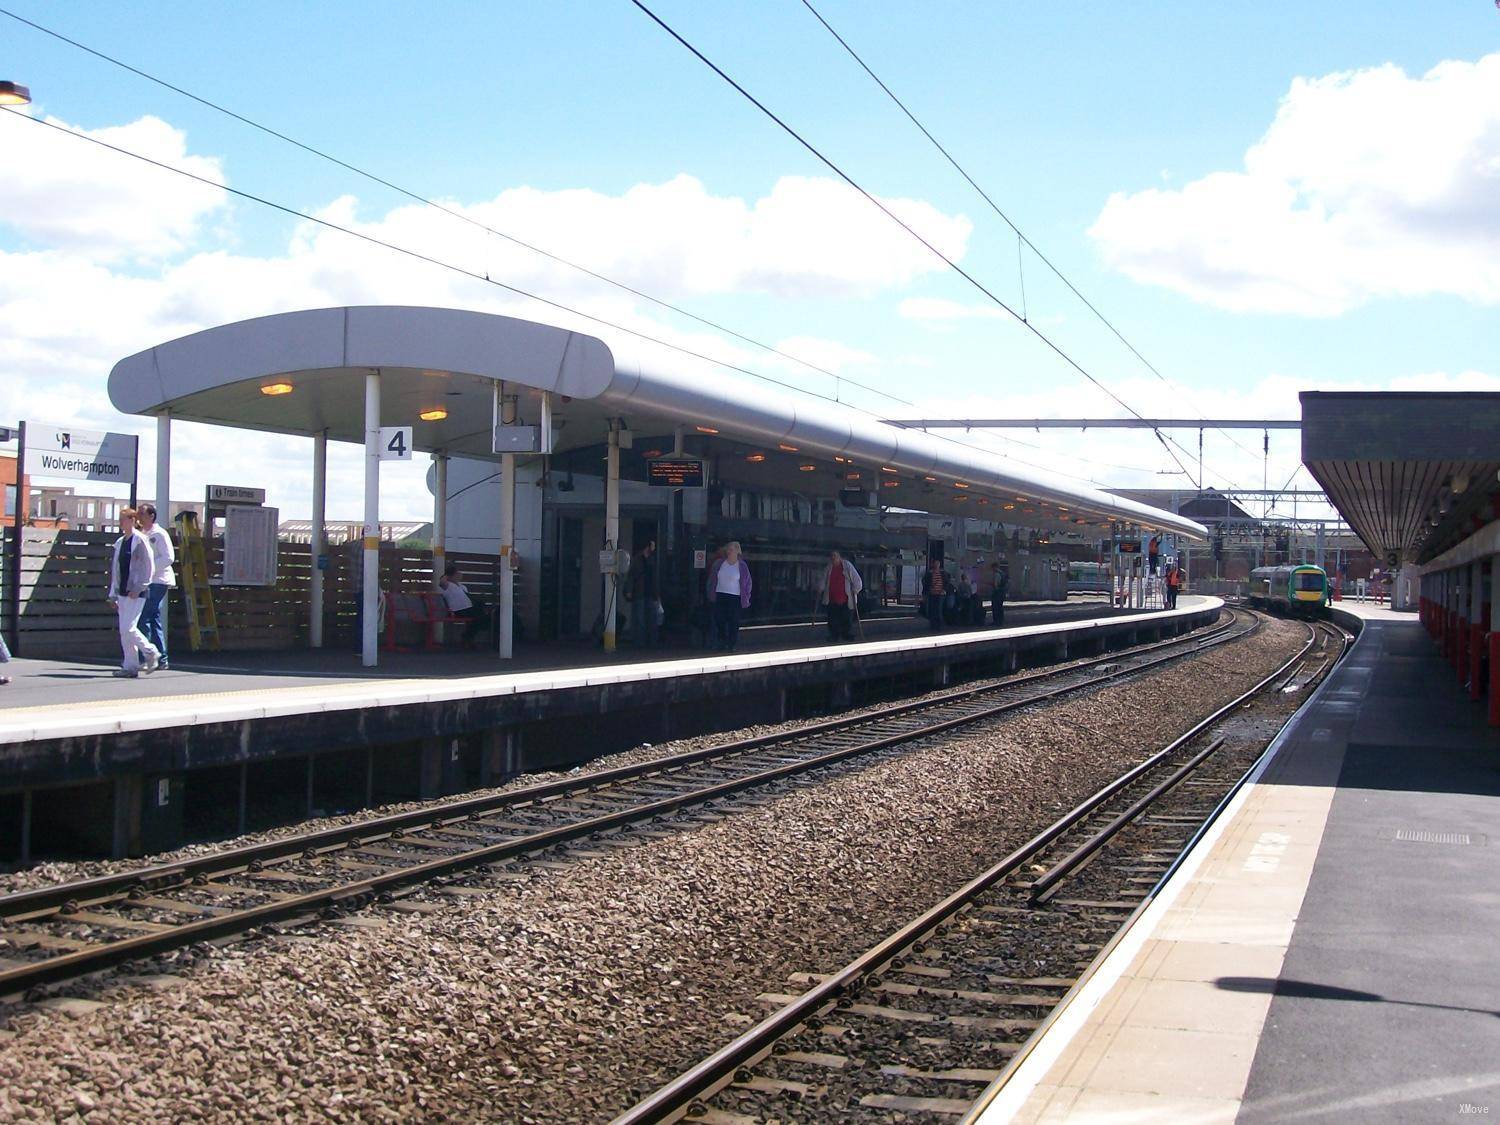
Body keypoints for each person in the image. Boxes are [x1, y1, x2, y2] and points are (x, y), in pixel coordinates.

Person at [107, 508, 160, 678]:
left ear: (132, 520)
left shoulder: (140, 541)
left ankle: (151, 651)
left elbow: (148, 567)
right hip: (122, 592)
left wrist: (139, 587)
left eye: (123, 519)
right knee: (124, 630)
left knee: (129, 628)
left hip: (136, 592)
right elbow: (116, 569)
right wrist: (113, 594)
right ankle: (130, 666)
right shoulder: (120, 542)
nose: (120, 522)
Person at [137, 502, 176, 671]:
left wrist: (149, 567)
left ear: (151, 516)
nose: (139, 517)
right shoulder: (141, 534)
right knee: (153, 618)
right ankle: (162, 657)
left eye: (142, 514)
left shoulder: (159, 534)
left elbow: (168, 558)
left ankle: (147, 656)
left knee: (144, 616)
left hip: (158, 581)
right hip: (147, 580)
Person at [706, 541, 751, 652]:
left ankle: (731, 644)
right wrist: (710, 592)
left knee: (733, 621)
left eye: (731, 549)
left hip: (735, 597)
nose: (729, 551)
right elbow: (712, 578)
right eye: (728, 549)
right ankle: (721, 641)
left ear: (737, 551)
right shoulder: (719, 563)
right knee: (719, 619)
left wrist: (746, 596)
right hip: (720, 594)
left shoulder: (742, 566)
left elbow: (747, 582)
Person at [439, 563, 487, 647]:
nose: (460, 575)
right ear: (451, 575)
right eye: (457, 574)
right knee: (479, 617)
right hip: (457, 610)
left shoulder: (462, 586)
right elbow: (442, 582)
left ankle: (468, 637)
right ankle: (467, 637)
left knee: (480, 616)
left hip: (468, 609)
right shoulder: (448, 586)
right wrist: (448, 574)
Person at [821, 550, 863, 642]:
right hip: (832, 598)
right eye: (832, 556)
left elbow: (857, 580)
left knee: (846, 617)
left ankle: (846, 634)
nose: (833, 558)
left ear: (840, 557)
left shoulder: (847, 566)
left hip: (846, 597)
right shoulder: (829, 567)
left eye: (835, 555)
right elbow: (824, 579)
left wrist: (856, 590)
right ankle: (834, 635)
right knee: (832, 618)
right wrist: (820, 588)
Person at [628, 539, 661, 649]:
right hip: (640, 592)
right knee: (640, 619)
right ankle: (640, 643)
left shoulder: (652, 559)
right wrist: (629, 590)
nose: (654, 548)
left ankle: (651, 642)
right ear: (647, 547)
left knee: (651, 618)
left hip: (650, 593)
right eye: (652, 546)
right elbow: (632, 576)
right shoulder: (637, 560)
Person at [921, 558, 945, 631]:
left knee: (938, 610)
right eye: (936, 563)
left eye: (938, 564)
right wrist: (928, 589)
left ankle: (939, 626)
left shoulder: (942, 573)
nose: (937, 565)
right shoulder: (930, 573)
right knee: (932, 610)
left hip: (940, 594)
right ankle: (933, 625)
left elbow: (946, 581)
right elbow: (925, 582)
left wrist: (944, 590)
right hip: (932, 594)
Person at [991, 562, 1009, 626]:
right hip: (1002, 592)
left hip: (997, 593)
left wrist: (992, 587)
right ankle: (1001, 621)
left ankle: (996, 621)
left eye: (992, 568)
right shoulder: (1003, 573)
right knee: (1000, 607)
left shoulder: (997, 574)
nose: (992, 569)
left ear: (994, 567)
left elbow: (996, 585)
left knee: (995, 607)